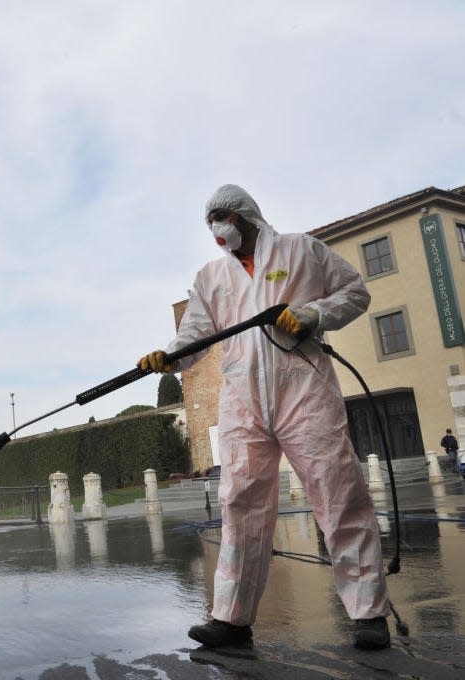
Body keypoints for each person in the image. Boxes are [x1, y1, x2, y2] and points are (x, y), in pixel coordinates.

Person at [138, 184, 391, 650]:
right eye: (210, 220)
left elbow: (355, 293)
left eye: (223, 217)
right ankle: (232, 620)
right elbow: (194, 334)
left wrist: (313, 314)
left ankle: (369, 614)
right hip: (242, 399)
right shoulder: (211, 277)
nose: (218, 227)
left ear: (245, 215)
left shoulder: (303, 251)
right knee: (240, 504)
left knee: (338, 495)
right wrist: (169, 358)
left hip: (304, 390)